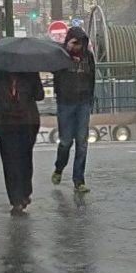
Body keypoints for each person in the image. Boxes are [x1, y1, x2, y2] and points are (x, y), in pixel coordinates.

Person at [0, 69, 44, 215]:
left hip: (27, 122)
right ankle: (16, 199)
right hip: (6, 123)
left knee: (24, 159)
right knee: (10, 162)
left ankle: (25, 192)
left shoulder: (31, 71)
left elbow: (39, 95)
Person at [51, 27, 96, 193]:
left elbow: (92, 77)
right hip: (65, 103)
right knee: (65, 141)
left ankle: (79, 180)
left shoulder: (88, 57)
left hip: (83, 103)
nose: (77, 47)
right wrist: (66, 52)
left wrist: (90, 99)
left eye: (80, 43)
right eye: (74, 43)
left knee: (82, 143)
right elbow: (54, 71)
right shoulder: (61, 56)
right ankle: (59, 168)